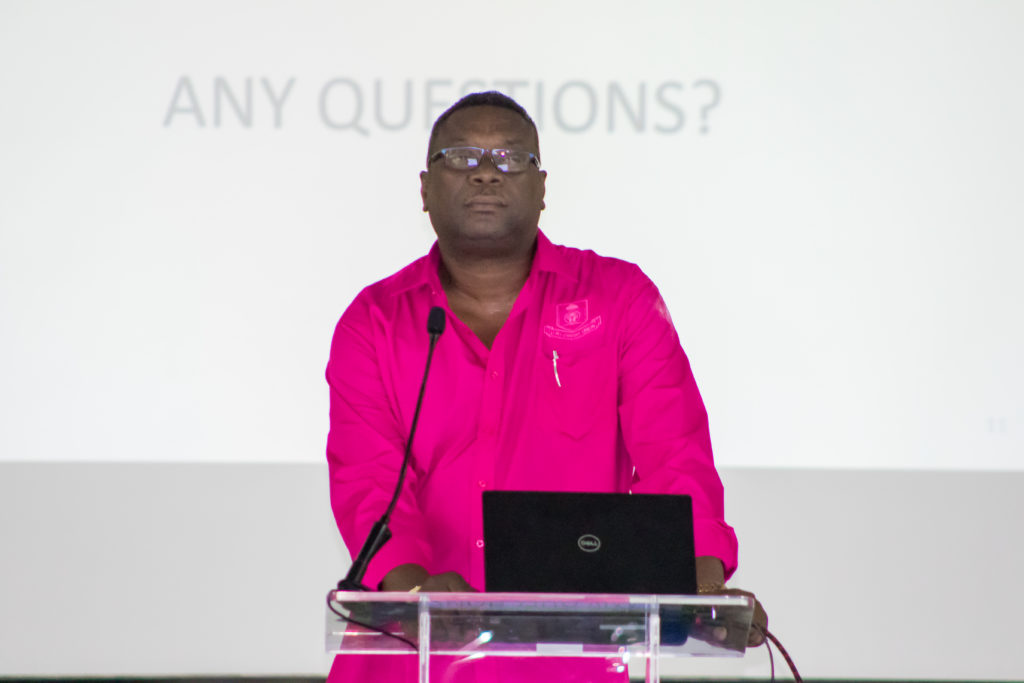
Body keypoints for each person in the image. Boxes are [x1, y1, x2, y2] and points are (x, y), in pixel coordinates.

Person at [325, 91, 766, 681]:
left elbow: (675, 456)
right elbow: (369, 482)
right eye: (462, 157)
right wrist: (419, 593)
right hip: (408, 661)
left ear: (542, 188)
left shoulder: (618, 300)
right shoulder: (374, 321)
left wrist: (700, 586)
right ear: (425, 189)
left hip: (570, 662)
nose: (486, 172)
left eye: (511, 158)